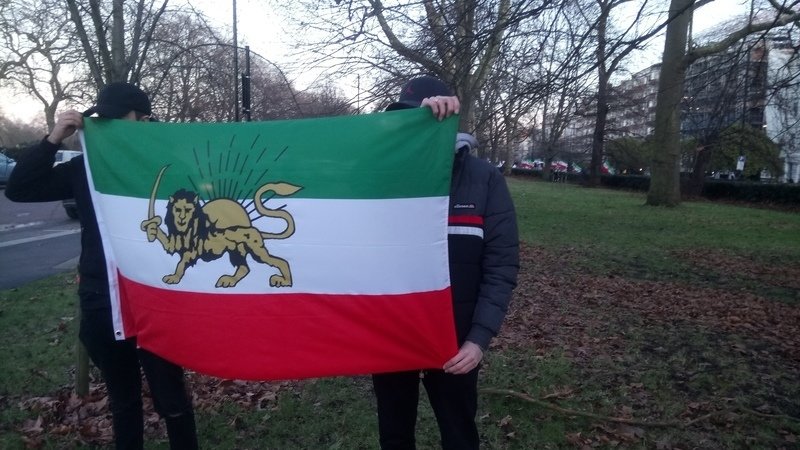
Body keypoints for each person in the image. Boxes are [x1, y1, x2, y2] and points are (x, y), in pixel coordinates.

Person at [5, 82, 198, 450]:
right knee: (124, 402)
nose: (106, 128)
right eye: (102, 121)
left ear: (143, 121)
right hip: (103, 300)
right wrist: (53, 140)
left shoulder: (165, 166)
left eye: (117, 120)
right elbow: (20, 189)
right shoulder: (86, 169)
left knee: (172, 399)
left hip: (156, 299)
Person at [373, 75, 520, 449]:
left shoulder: (484, 179)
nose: (414, 126)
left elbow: (501, 266)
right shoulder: (383, 175)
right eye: (406, 119)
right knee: (394, 436)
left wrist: (478, 339)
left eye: (423, 118)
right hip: (393, 333)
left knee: (459, 436)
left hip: (457, 341)